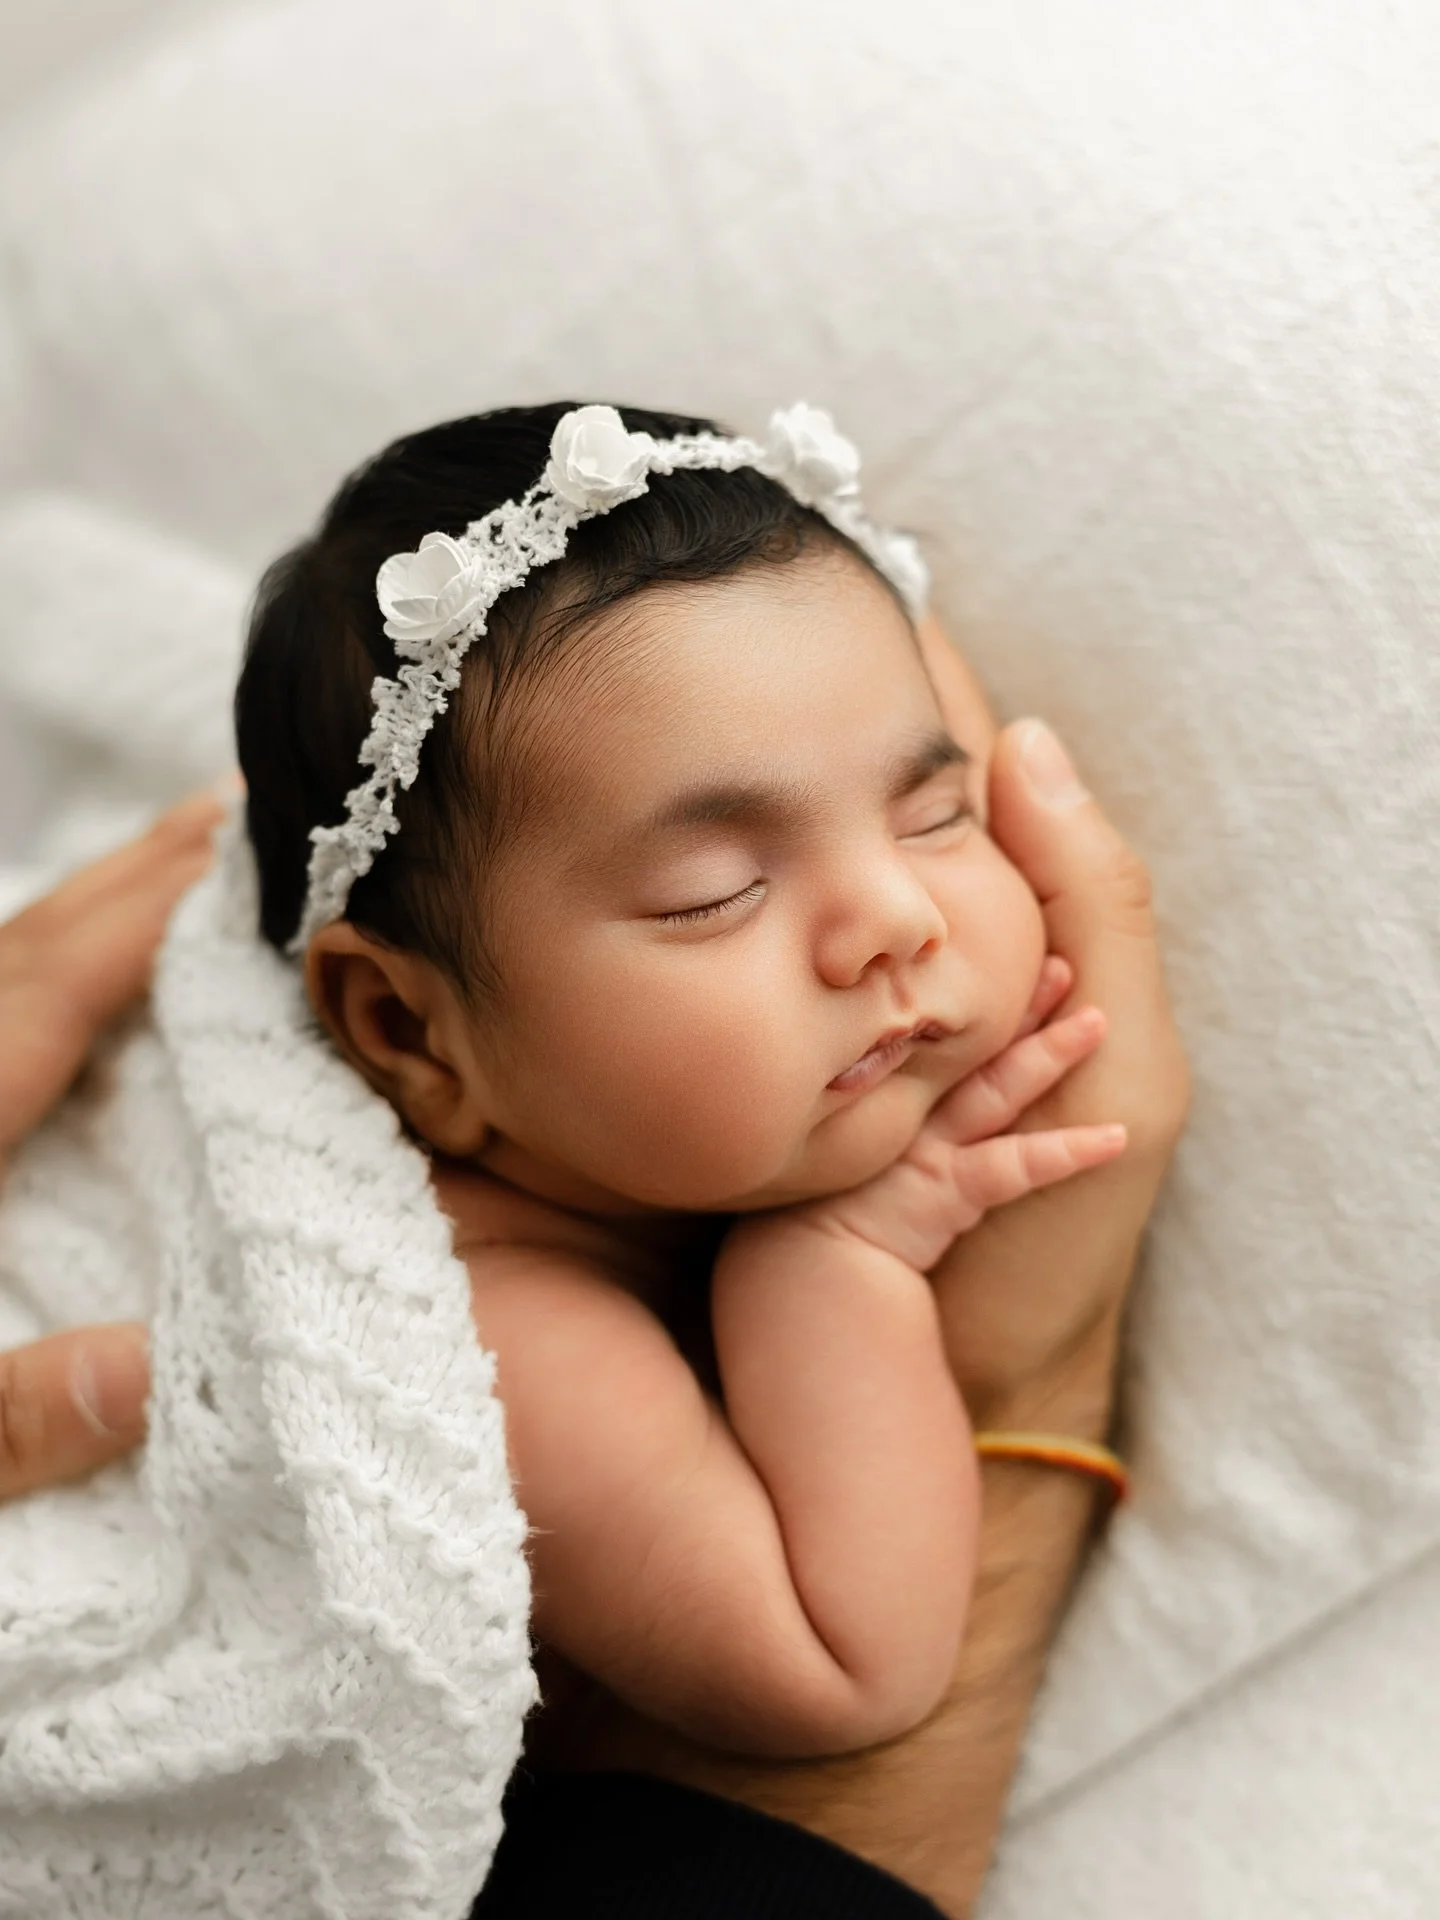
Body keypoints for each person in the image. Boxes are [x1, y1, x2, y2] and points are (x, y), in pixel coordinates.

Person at [0, 402, 1188, 1916]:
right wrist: (841, 1267)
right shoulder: (495, 1325)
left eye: (935, 810)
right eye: (714, 892)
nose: (897, 919)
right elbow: (843, 1664)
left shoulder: (603, 1096)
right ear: (409, 1031)